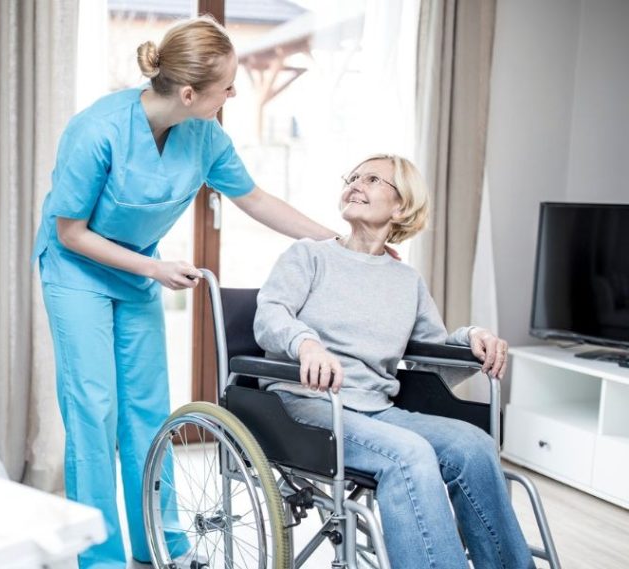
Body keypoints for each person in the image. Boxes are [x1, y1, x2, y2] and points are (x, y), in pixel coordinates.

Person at [33, 15, 338, 569]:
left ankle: (161, 544)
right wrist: (154, 271)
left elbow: (258, 201)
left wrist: (336, 241)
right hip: (76, 271)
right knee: (94, 412)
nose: (235, 91)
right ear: (192, 92)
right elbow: (70, 232)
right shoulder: (96, 130)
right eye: (227, 84)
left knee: (149, 411)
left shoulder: (205, 136)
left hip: (137, 272)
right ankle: (99, 557)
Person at [254, 154, 533, 569]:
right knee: (410, 453)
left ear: (401, 206)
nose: (355, 184)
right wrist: (306, 344)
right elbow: (270, 314)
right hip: (306, 404)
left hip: (378, 409)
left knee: (474, 446)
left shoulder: (406, 281)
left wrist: (472, 339)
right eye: (352, 177)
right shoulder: (309, 256)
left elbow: (433, 354)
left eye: (372, 179)